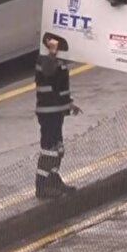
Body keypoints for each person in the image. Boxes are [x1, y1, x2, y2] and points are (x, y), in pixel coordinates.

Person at [36, 33, 81, 199]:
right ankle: (42, 186)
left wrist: (69, 104)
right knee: (50, 150)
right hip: (48, 112)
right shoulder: (45, 59)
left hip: (57, 111)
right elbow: (48, 71)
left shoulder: (58, 60)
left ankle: (53, 179)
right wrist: (52, 53)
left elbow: (59, 86)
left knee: (58, 149)